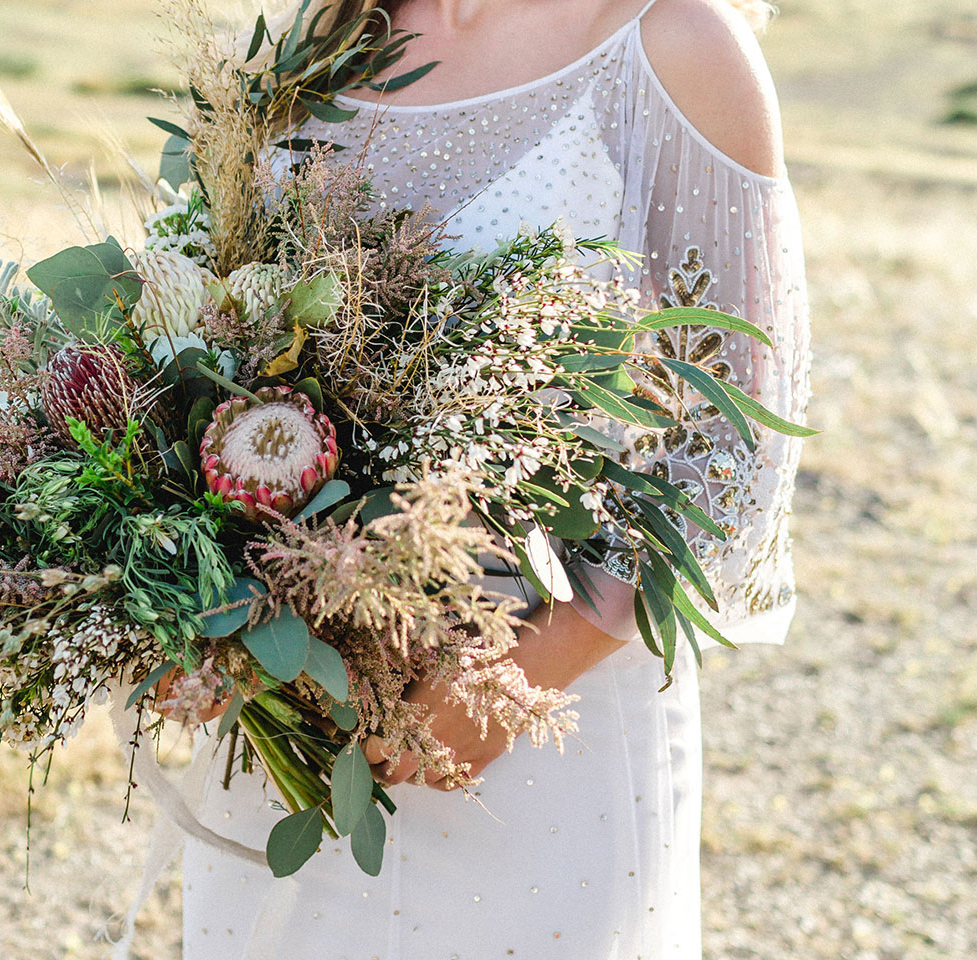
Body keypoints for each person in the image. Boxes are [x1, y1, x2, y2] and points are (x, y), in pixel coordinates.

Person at [180, 0, 812, 956]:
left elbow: (732, 444)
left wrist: (518, 678)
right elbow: (209, 328)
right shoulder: (329, 32)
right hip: (289, 696)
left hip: (536, 716)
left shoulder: (674, 41)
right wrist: (186, 604)